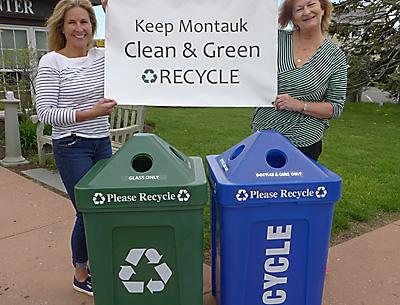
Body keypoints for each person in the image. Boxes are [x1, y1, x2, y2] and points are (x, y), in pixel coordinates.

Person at [35, 0, 117, 296]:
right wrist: (89, 113)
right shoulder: (52, 62)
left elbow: (132, 46)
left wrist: (113, 13)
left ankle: (97, 262)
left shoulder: (102, 56)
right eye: (73, 22)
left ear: (93, 27)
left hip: (101, 142)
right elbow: (46, 112)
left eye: (85, 22)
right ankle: (80, 273)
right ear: (62, 27)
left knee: (103, 206)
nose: (79, 28)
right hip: (71, 144)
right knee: (87, 209)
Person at [252, 0, 347, 161]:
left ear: (322, 9)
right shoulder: (274, 40)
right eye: (299, 9)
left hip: (305, 143)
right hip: (264, 136)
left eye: (311, 4)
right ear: (293, 18)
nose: (306, 11)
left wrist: (299, 105)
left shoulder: (335, 57)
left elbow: (335, 107)